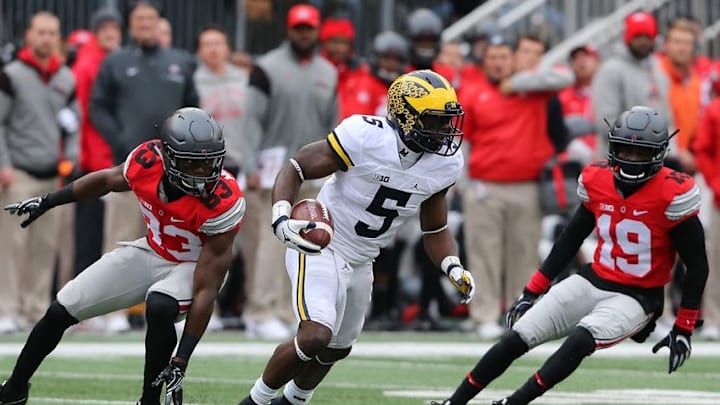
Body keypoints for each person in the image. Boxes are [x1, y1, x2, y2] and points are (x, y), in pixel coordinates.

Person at [433, 106, 708, 405]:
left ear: (658, 153)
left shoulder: (673, 192)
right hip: (595, 278)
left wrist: (684, 326)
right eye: (624, 150)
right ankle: (454, 403)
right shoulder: (598, 178)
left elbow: (697, 265)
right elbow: (570, 239)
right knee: (517, 337)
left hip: (638, 297)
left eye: (639, 153)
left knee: (580, 338)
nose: (630, 158)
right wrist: (532, 290)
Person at [238, 69, 475, 405]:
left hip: (364, 258)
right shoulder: (365, 136)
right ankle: (255, 401)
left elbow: (435, 228)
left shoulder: (445, 163)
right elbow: (297, 166)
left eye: (447, 121)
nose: (444, 132)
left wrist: (453, 266)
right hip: (322, 243)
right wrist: (279, 214)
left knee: (337, 348)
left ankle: (292, 401)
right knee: (316, 334)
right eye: (435, 121)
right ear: (406, 117)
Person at [0, 107, 245, 405]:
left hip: (195, 266)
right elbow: (106, 180)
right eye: (192, 164)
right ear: (167, 157)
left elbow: (207, 289)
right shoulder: (146, 162)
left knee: (159, 303)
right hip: (153, 250)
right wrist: (50, 201)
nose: (202, 174)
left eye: (209, 164)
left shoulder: (224, 201)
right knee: (63, 307)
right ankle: (14, 389)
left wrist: (181, 359)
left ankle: (149, 400)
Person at [242, 3, 338, 340]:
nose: (304, 34)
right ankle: (260, 310)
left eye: (309, 28)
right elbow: (250, 119)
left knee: (303, 245)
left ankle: (286, 309)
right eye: (299, 28)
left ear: (316, 30)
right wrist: (249, 164)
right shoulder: (266, 68)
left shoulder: (329, 72)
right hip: (274, 170)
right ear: (289, 30)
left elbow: (332, 125)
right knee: (271, 244)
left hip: (314, 171)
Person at [0, 11, 78, 334]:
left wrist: (71, 159)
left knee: (45, 247)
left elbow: (75, 125)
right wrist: (3, 164)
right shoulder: (11, 75)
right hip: (18, 173)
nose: (46, 38)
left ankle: (34, 310)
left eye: (52, 33)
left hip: (51, 177)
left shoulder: (65, 78)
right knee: (11, 247)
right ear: (29, 36)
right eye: (41, 32)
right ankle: (7, 309)